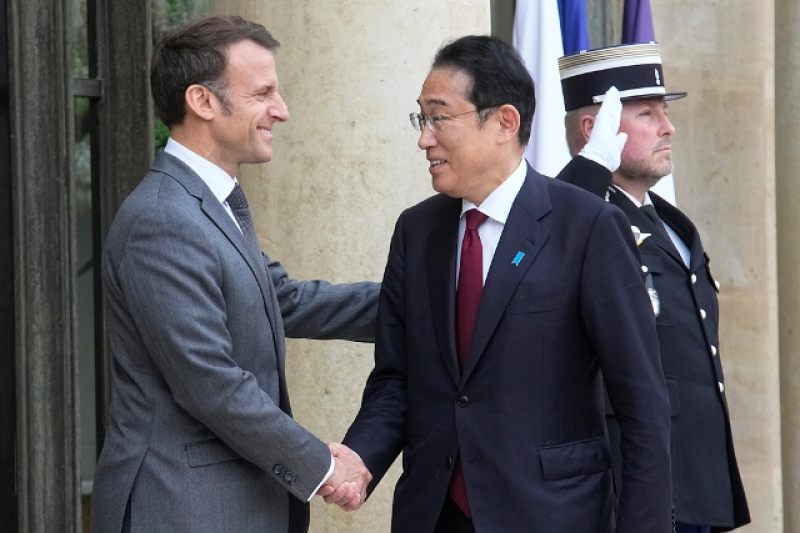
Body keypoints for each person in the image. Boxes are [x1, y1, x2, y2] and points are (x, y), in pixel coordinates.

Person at [339, 35, 672, 532]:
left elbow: (641, 402)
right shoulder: (417, 231)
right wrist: (359, 458)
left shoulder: (586, 226)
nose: (424, 138)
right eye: (421, 119)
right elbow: (397, 378)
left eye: (439, 117)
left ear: (504, 122)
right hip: (435, 515)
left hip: (552, 515)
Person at [91, 15, 377, 533]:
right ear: (202, 101)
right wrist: (322, 466)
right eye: (263, 92)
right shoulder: (163, 219)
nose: (281, 111)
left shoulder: (205, 205)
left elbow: (285, 300)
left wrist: (434, 299)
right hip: (182, 510)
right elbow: (211, 385)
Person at [557, 42, 751, 532]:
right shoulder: (584, 218)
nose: (669, 128)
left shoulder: (668, 223)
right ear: (593, 129)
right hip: (633, 491)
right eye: (648, 115)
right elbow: (543, 250)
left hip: (693, 486)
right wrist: (592, 166)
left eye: (665, 114)